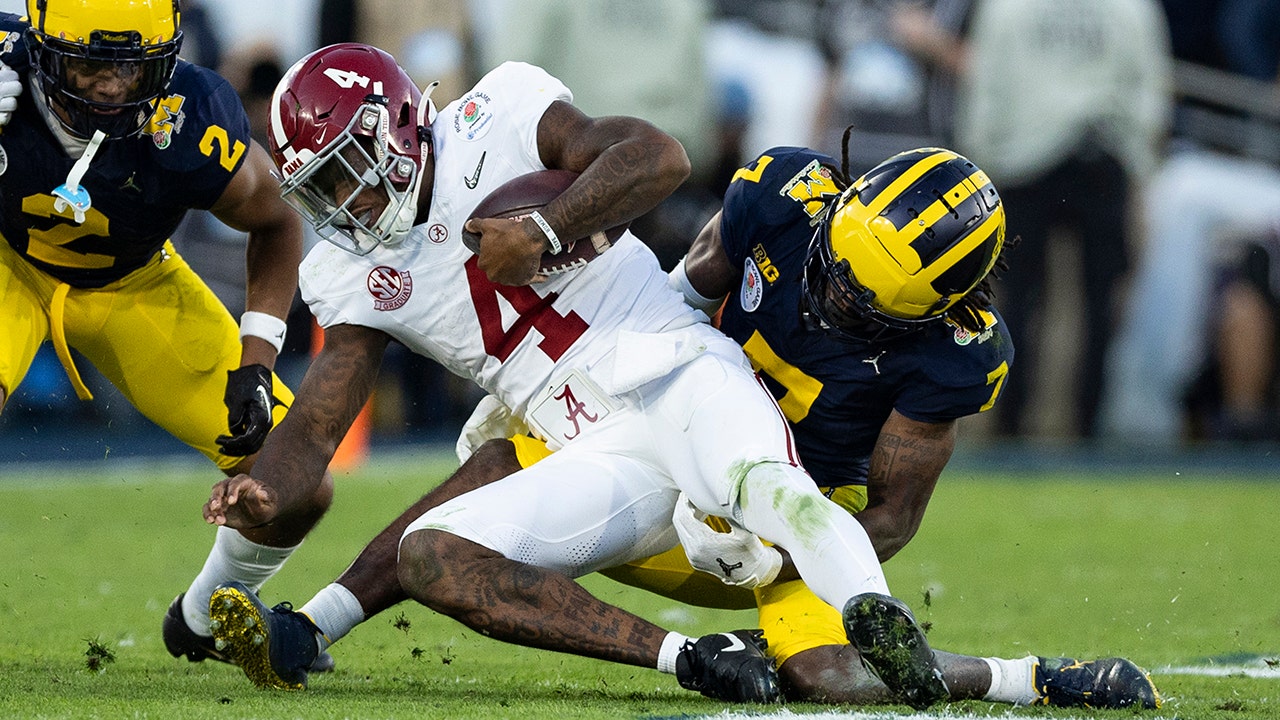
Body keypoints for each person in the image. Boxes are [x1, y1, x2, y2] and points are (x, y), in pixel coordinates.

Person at [204, 131, 1162, 710]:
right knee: (491, 470)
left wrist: (772, 556)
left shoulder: (956, 354)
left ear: (935, 310)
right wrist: (578, 384)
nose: (832, 296)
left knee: (829, 675)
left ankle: (1023, 677)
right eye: (835, 266)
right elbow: (669, 307)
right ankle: (316, 624)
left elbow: (895, 516)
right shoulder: (782, 199)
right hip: (667, 440)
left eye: (865, 303)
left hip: (788, 521)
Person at [199, 41, 953, 708]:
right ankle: (691, 658)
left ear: (392, 130)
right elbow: (321, 418)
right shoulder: (347, 269)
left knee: (764, 485)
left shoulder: (496, 118)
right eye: (321, 190)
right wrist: (267, 489)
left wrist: (546, 227)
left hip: (672, 371)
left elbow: (658, 156)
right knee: (433, 554)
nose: (343, 206)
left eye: (345, 175)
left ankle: (878, 617)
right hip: (586, 446)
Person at [0, 0, 334, 671]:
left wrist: (257, 361)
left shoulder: (190, 118)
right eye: (91, 64)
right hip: (8, 263)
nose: (111, 87)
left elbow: (276, 219)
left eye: (132, 66)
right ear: (40, 51)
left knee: (296, 481)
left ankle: (204, 612)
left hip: (134, 284)